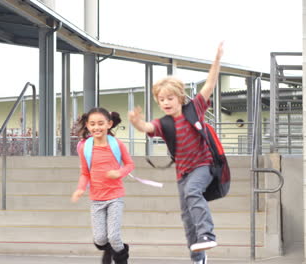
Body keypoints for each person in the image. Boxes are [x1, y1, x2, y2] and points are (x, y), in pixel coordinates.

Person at [128, 42, 224, 264]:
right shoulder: (164, 123)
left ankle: (208, 234)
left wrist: (217, 60)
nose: (166, 102)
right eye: (161, 99)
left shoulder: (195, 108)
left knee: (193, 192)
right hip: (183, 172)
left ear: (180, 98)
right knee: (187, 217)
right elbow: (148, 128)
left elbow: (210, 84)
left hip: (204, 165)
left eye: (170, 98)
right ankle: (198, 258)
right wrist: (136, 122)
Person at [71, 108, 134, 264]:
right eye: (92, 124)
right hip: (96, 199)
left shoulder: (116, 144)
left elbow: (130, 165)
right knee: (100, 239)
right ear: (87, 125)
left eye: (100, 123)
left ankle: (121, 260)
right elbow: (85, 173)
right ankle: (109, 250)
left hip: (115, 197)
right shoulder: (84, 146)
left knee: (114, 236)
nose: (96, 127)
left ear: (109, 124)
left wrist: (119, 173)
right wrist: (80, 188)